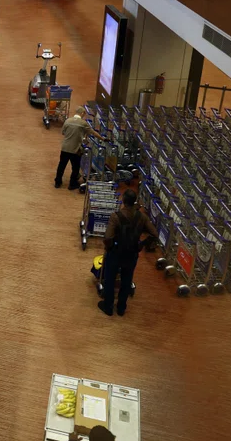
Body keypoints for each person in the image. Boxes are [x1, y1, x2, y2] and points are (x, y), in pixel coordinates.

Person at [100, 189, 156, 317]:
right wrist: (141, 245)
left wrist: (109, 248)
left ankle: (108, 307)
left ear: (123, 201)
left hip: (116, 252)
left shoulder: (116, 216)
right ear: (134, 201)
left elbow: (107, 238)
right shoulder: (142, 217)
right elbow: (154, 234)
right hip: (131, 254)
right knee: (126, 280)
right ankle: (121, 308)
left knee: (110, 279)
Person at [56, 106, 104, 189]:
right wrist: (102, 138)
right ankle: (72, 184)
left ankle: (57, 182)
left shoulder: (67, 121)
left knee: (61, 165)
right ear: (82, 113)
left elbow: (63, 132)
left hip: (65, 147)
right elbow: (93, 133)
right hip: (75, 149)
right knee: (75, 167)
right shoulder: (83, 123)